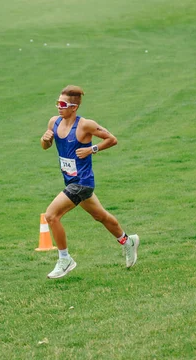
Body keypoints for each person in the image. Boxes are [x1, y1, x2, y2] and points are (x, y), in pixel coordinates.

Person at [40, 85, 139, 279]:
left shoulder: (85, 125)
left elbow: (112, 139)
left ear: (74, 107)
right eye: (57, 103)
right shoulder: (54, 122)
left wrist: (91, 149)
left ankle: (65, 259)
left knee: (51, 216)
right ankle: (128, 241)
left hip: (82, 183)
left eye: (63, 104)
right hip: (70, 181)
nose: (58, 107)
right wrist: (44, 140)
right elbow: (46, 146)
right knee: (101, 216)